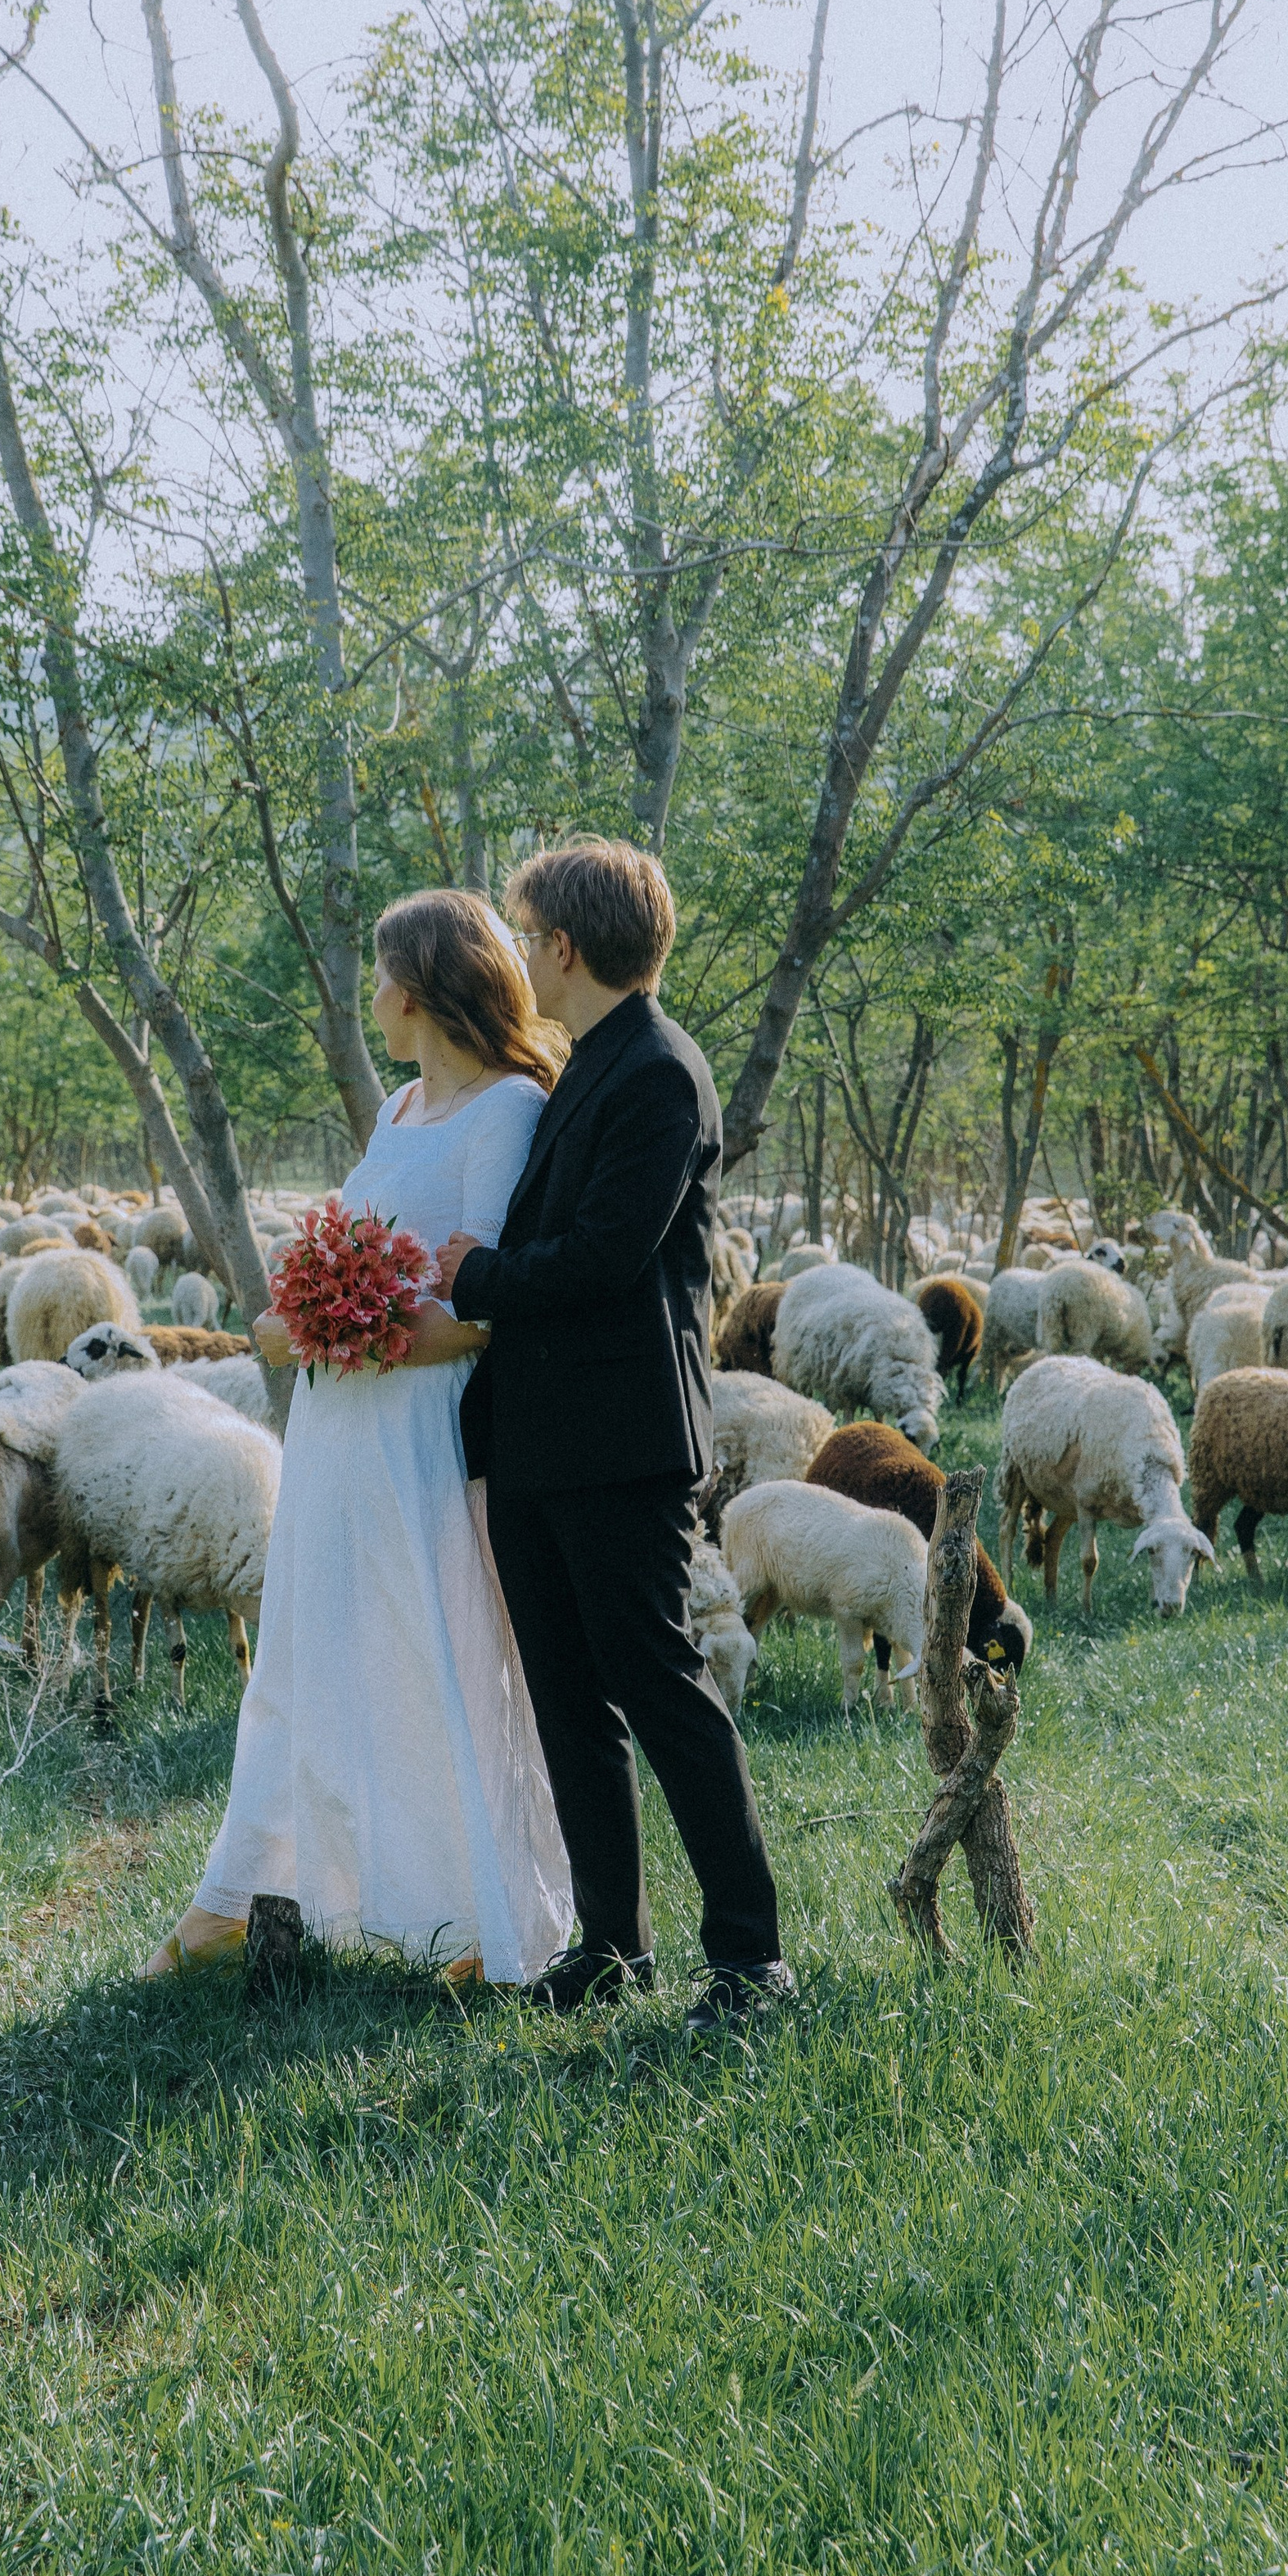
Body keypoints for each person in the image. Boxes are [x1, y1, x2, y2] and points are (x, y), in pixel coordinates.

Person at [142, 888, 574, 1985]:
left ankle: (478, 1915)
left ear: (419, 989)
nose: (370, 997)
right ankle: (242, 1891)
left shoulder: (508, 1110)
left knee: (433, 1647)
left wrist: (324, 1331)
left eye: (381, 977)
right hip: (337, 1422)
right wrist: (312, 1314)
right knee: (308, 1644)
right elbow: (368, 1251)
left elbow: (481, 1305)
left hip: (421, 1422)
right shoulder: (399, 1111)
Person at [432, 836, 786, 2030]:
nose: (523, 957)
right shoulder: (588, 1064)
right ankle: (611, 1944)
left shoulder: (660, 1073)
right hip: (539, 1434)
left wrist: (478, 1273)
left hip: (624, 1440)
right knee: (566, 1697)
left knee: (661, 1685)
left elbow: (604, 1256)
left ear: (567, 947)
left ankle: (749, 1958)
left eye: (531, 937)